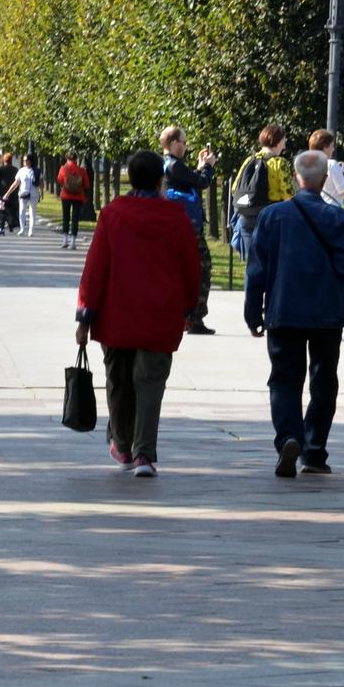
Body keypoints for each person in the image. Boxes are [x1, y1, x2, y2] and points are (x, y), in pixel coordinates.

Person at [74, 151, 202, 479]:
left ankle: (122, 442)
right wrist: (191, 308)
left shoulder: (112, 213)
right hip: (160, 314)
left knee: (118, 381)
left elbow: (96, 267)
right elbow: (191, 266)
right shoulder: (175, 217)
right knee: (150, 383)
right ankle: (144, 453)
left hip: (116, 315)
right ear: (161, 179)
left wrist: (85, 316)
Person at [245, 149, 344, 478]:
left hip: (284, 309)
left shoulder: (272, 216)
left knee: (284, 379)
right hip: (327, 312)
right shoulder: (338, 218)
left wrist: (252, 311)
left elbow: (256, 269)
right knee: (324, 380)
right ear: (325, 178)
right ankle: (314, 450)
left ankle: (287, 436)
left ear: (296, 178)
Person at [159, 126, 218, 333]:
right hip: (189, 229)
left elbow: (189, 178)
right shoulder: (174, 165)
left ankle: (186, 315)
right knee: (203, 268)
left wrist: (200, 166)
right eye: (183, 142)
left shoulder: (167, 165)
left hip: (176, 226)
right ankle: (195, 317)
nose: (185, 146)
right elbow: (202, 182)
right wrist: (208, 167)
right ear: (174, 143)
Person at [229, 124, 295, 253]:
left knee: (252, 263)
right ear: (277, 141)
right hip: (271, 217)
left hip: (246, 216)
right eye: (283, 141)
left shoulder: (249, 160)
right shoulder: (279, 163)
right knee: (271, 263)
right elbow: (289, 196)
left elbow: (234, 189)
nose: (284, 145)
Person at [55, 151, 90, 249]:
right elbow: (87, 184)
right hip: (78, 197)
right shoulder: (82, 170)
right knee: (75, 219)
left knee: (65, 217)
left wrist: (66, 185)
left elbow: (59, 180)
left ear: (67, 159)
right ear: (76, 159)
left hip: (66, 196)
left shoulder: (63, 168)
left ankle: (65, 240)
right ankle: (73, 242)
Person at [310, 129, 344, 204]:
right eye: (332, 146)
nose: (333, 149)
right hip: (331, 209)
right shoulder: (331, 164)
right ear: (325, 147)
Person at [7, 154, 40, 237]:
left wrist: (41, 192)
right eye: (24, 160)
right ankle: (22, 229)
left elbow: (41, 182)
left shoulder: (36, 170)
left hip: (34, 194)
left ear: (31, 161)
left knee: (32, 212)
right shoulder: (21, 171)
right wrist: (7, 193)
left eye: (26, 160)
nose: (24, 161)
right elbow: (16, 183)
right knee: (22, 211)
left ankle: (31, 230)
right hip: (23, 193)